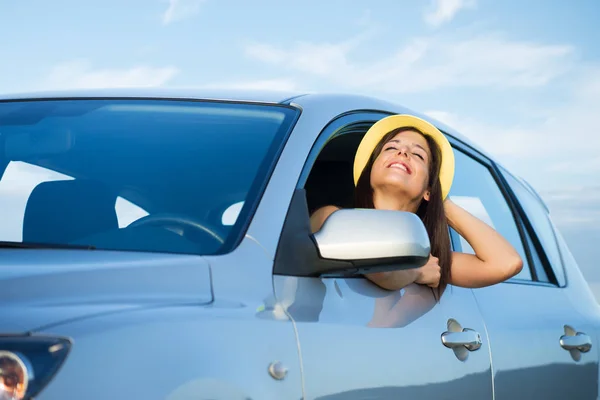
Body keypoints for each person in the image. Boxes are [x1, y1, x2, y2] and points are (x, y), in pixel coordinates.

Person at [310, 114, 523, 299]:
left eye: (418, 155)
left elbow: (506, 263)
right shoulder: (330, 219)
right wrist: (417, 272)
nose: (403, 153)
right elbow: (379, 269)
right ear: (369, 172)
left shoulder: (430, 259)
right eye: (391, 147)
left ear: (429, 189)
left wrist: (441, 201)